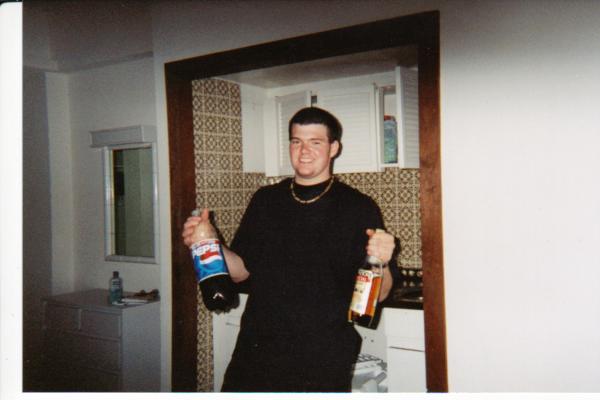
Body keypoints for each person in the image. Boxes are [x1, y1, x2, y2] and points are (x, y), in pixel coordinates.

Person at [182, 106, 397, 392]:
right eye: (297, 141)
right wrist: (210, 245)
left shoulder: (358, 207)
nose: (304, 151)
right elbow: (240, 271)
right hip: (257, 349)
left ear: (334, 148)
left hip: (322, 355)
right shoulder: (265, 200)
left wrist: (383, 260)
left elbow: (378, 294)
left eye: (315, 142)